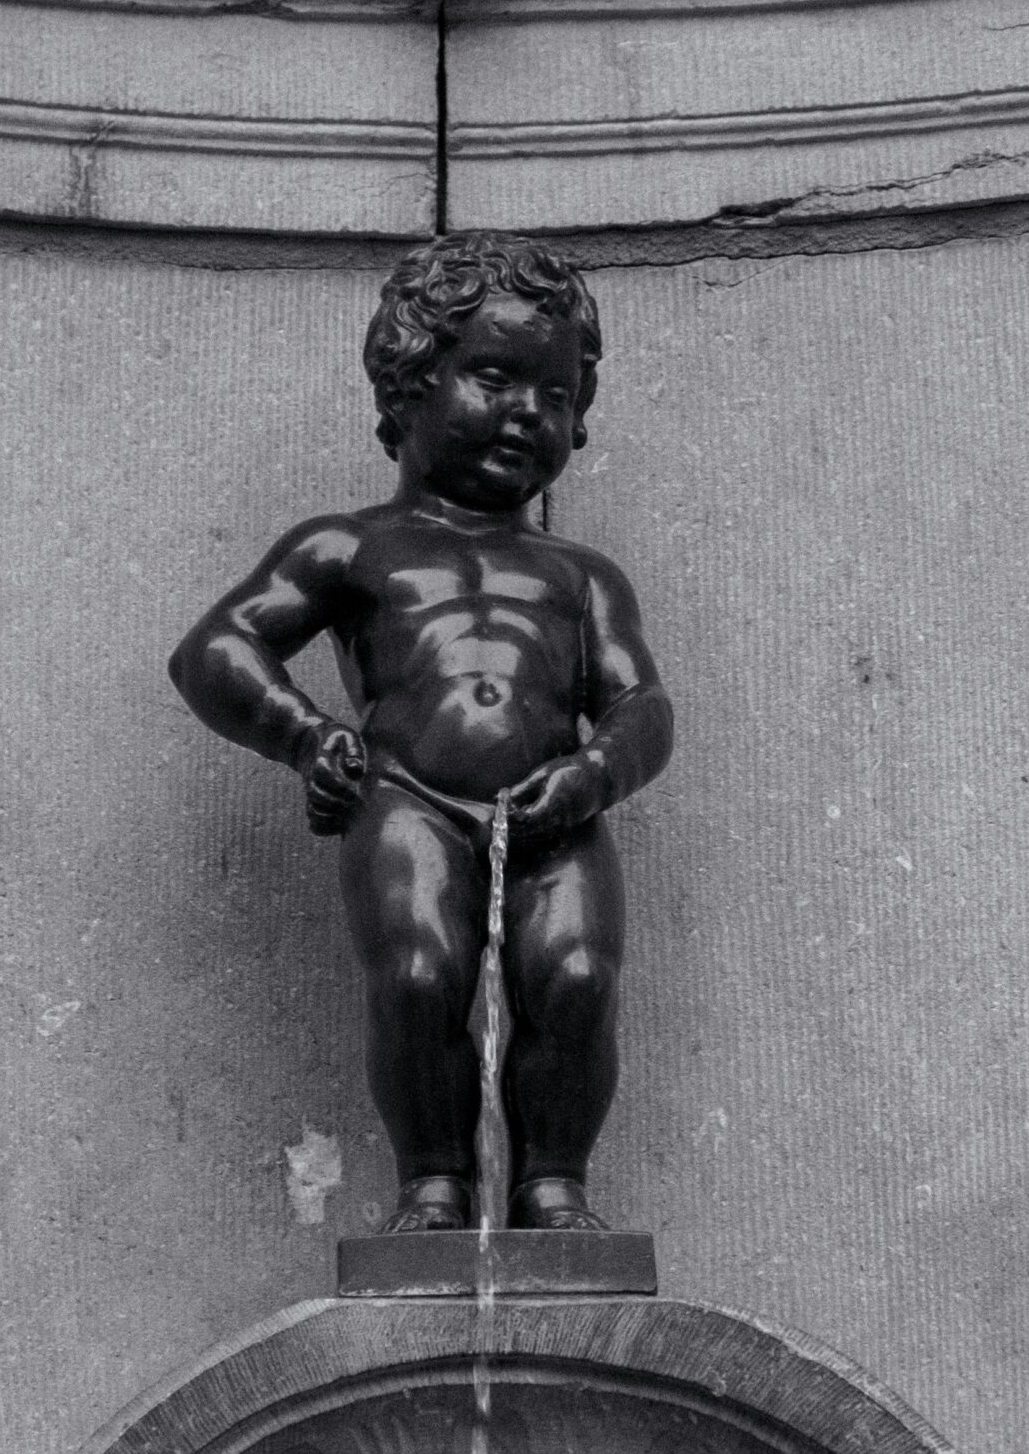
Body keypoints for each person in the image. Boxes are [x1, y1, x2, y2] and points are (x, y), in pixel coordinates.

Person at [170, 233, 673, 1233]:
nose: (526, 413)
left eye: (557, 395)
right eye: (493, 376)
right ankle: (436, 1186)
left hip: (556, 811)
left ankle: (554, 1188)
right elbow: (216, 649)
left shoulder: (580, 576)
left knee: (575, 978)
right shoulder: (352, 545)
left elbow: (642, 704)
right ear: (408, 382)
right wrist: (307, 736)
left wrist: (595, 774)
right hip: (409, 799)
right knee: (416, 973)